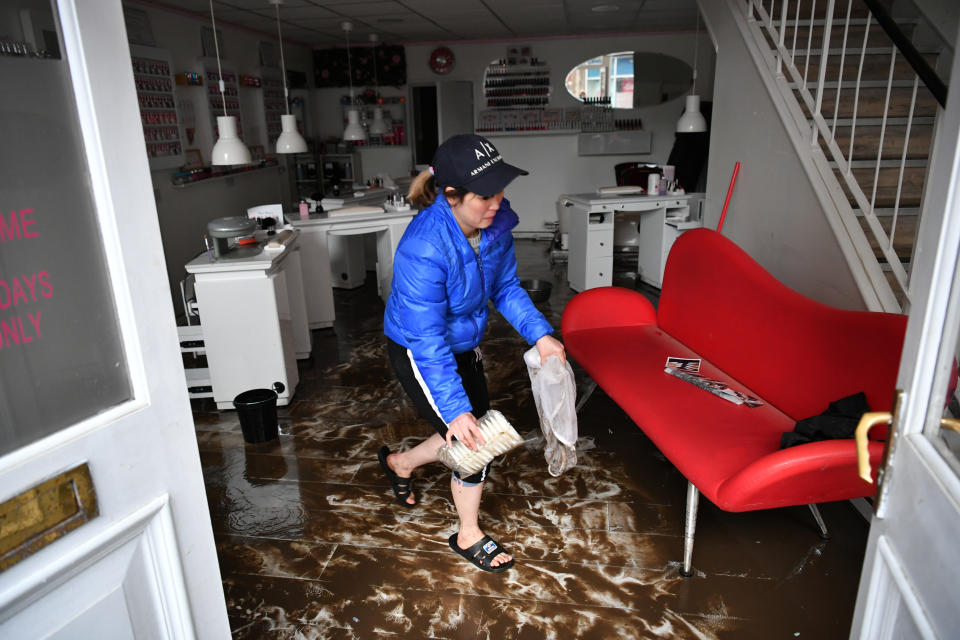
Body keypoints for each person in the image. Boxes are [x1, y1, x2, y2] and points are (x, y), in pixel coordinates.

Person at [379, 134, 565, 573]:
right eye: (485, 195)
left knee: (467, 428)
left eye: (501, 191)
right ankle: (468, 534)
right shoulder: (424, 247)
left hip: (462, 342)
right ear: (451, 196)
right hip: (418, 349)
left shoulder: (495, 226)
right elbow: (427, 341)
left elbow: (504, 287)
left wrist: (541, 335)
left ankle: (399, 463)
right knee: (476, 439)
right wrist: (457, 408)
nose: (496, 203)